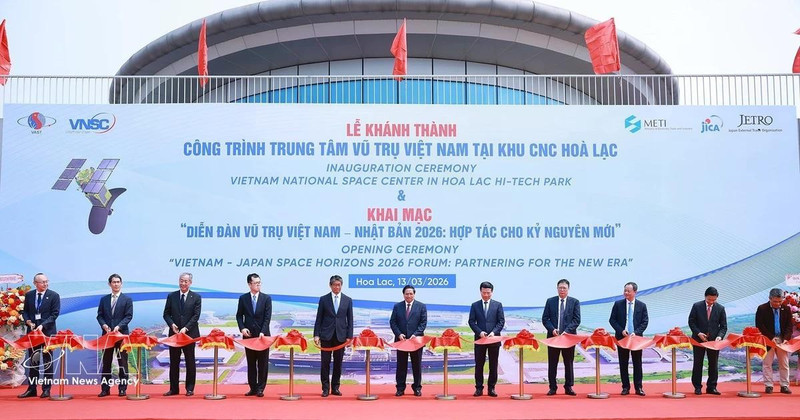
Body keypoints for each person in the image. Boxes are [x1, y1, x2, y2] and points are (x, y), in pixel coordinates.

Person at [18, 273, 61, 399]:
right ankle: (32, 389)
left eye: (47, 281)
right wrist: (28, 321)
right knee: (33, 361)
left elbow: (54, 314)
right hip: (33, 333)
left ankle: (46, 389)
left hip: (47, 333)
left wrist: (42, 325)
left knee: (47, 362)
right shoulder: (30, 295)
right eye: (42, 282)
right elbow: (25, 311)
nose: (45, 284)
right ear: (35, 283)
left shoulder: (54, 295)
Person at [162, 272, 202, 396]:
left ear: (190, 282)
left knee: (190, 361)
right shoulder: (172, 296)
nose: (183, 283)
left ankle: (190, 388)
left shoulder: (196, 297)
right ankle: (174, 389)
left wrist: (185, 328)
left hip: (189, 335)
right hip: (174, 335)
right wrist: (172, 324)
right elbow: (166, 314)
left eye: (185, 281)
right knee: (174, 362)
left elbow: (196, 316)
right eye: (181, 280)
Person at [313, 275, 353, 397]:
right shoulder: (324, 299)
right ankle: (325, 388)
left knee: (338, 363)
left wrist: (349, 337)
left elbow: (350, 320)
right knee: (325, 363)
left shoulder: (347, 300)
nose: (337, 287)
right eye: (334, 285)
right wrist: (316, 335)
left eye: (339, 285)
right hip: (326, 335)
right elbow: (319, 318)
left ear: (341, 285)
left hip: (341, 336)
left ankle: (335, 387)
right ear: (330, 286)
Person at [96, 273, 134, 397]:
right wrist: (104, 325)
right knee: (106, 362)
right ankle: (105, 389)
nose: (116, 284)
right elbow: (99, 315)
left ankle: (122, 388)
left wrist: (118, 327)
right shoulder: (104, 299)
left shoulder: (127, 299)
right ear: (109, 284)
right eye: (114, 282)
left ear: (121, 284)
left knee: (122, 362)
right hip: (107, 336)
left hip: (121, 335)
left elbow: (128, 316)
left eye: (118, 282)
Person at [541, 279, 581, 396]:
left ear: (568, 289)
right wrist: (552, 329)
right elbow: (545, 319)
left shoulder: (574, 302)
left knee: (568, 362)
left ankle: (568, 387)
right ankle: (552, 387)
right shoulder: (550, 301)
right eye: (560, 288)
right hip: (553, 337)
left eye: (564, 288)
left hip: (568, 338)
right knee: (552, 362)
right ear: (557, 288)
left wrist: (566, 331)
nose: (562, 290)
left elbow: (576, 320)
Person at [609, 281, 648, 396]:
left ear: (635, 292)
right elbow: (612, 320)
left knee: (637, 363)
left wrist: (636, 332)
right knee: (623, 362)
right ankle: (625, 387)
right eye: (625, 290)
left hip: (636, 339)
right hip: (622, 338)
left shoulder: (642, 305)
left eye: (628, 291)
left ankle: (638, 387)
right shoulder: (618, 304)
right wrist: (621, 330)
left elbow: (645, 322)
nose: (626, 293)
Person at [236, 273, 272, 397]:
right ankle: (253, 388)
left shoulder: (266, 298)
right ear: (249, 284)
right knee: (251, 363)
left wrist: (263, 331)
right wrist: (242, 328)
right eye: (256, 283)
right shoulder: (243, 298)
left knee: (262, 363)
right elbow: (239, 315)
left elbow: (267, 318)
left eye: (259, 283)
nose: (258, 285)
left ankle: (261, 388)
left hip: (263, 336)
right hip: (249, 336)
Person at [687, 286, 727, 395]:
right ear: (705, 297)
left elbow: (723, 327)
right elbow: (691, 322)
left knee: (713, 364)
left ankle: (712, 387)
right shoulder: (697, 306)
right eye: (709, 299)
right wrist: (698, 333)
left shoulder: (720, 308)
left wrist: (719, 337)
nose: (711, 302)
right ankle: (697, 387)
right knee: (698, 363)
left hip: (714, 342)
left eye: (714, 300)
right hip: (698, 340)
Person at [389, 285, 427, 397]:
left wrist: (415, 334)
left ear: (414, 294)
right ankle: (400, 388)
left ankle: (417, 388)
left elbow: (423, 323)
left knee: (417, 365)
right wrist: (398, 334)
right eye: (407, 293)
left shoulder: (421, 306)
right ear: (403, 294)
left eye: (411, 293)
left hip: (416, 341)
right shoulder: (397, 306)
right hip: (402, 341)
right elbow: (393, 322)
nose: (409, 295)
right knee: (401, 365)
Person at [468, 281, 505, 397]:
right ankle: (479, 388)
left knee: (493, 365)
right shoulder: (475, 305)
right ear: (480, 292)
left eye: (488, 293)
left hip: (494, 340)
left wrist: (494, 332)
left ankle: (491, 388)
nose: (486, 295)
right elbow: (471, 321)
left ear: (492, 292)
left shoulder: (498, 305)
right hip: (480, 340)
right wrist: (480, 332)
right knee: (479, 364)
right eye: (484, 293)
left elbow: (501, 321)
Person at [755, 288, 792, 394]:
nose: (778, 304)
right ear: (770, 299)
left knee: (784, 363)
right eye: (775, 301)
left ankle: (784, 385)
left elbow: (789, 326)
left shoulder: (786, 309)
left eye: (780, 301)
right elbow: (760, 326)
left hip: (782, 340)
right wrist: (771, 338)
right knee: (767, 363)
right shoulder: (762, 309)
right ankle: (768, 385)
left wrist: (785, 339)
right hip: (768, 340)